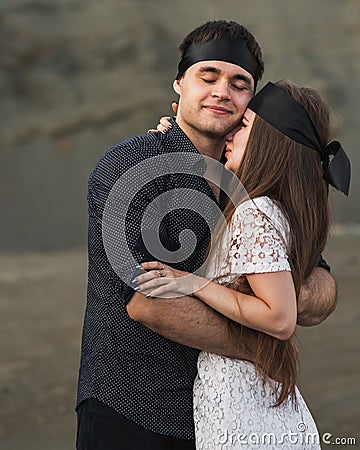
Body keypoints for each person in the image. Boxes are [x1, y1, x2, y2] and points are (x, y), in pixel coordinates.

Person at [76, 21, 338, 449]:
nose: (222, 92)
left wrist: (276, 305)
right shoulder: (132, 166)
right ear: (179, 83)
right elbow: (149, 304)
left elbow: (321, 285)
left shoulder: (257, 185)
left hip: (227, 414)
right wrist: (266, 345)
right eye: (208, 76)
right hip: (132, 406)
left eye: (239, 83)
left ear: (252, 101)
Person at [134, 80, 351, 448]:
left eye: (245, 126)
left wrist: (194, 283)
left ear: (269, 142)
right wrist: (178, 144)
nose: (231, 134)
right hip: (256, 401)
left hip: (242, 405)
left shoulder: (255, 211)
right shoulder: (273, 208)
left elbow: (280, 319)